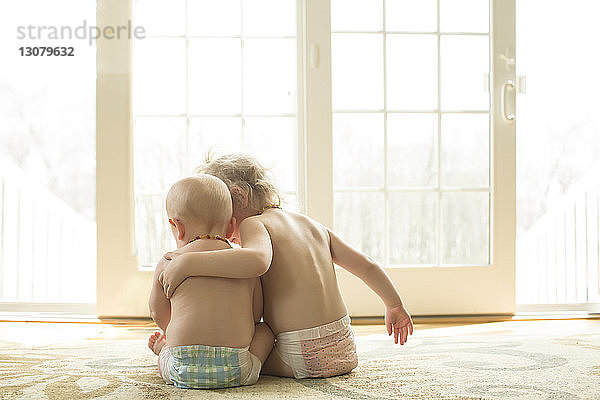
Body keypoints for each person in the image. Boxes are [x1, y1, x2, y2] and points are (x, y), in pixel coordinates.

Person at [160, 154, 413, 379]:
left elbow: (257, 261)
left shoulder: (255, 225)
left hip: (299, 356)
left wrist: (188, 262)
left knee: (236, 358)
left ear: (239, 196)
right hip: (344, 346)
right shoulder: (312, 224)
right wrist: (394, 305)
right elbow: (367, 266)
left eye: (222, 211)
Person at [147, 174, 274, 389]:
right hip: (238, 371)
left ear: (177, 227)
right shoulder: (243, 263)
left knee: (168, 353)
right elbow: (255, 315)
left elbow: (157, 312)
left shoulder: (168, 262)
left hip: (182, 369)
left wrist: (177, 331)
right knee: (265, 331)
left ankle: (163, 350)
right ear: (231, 226)